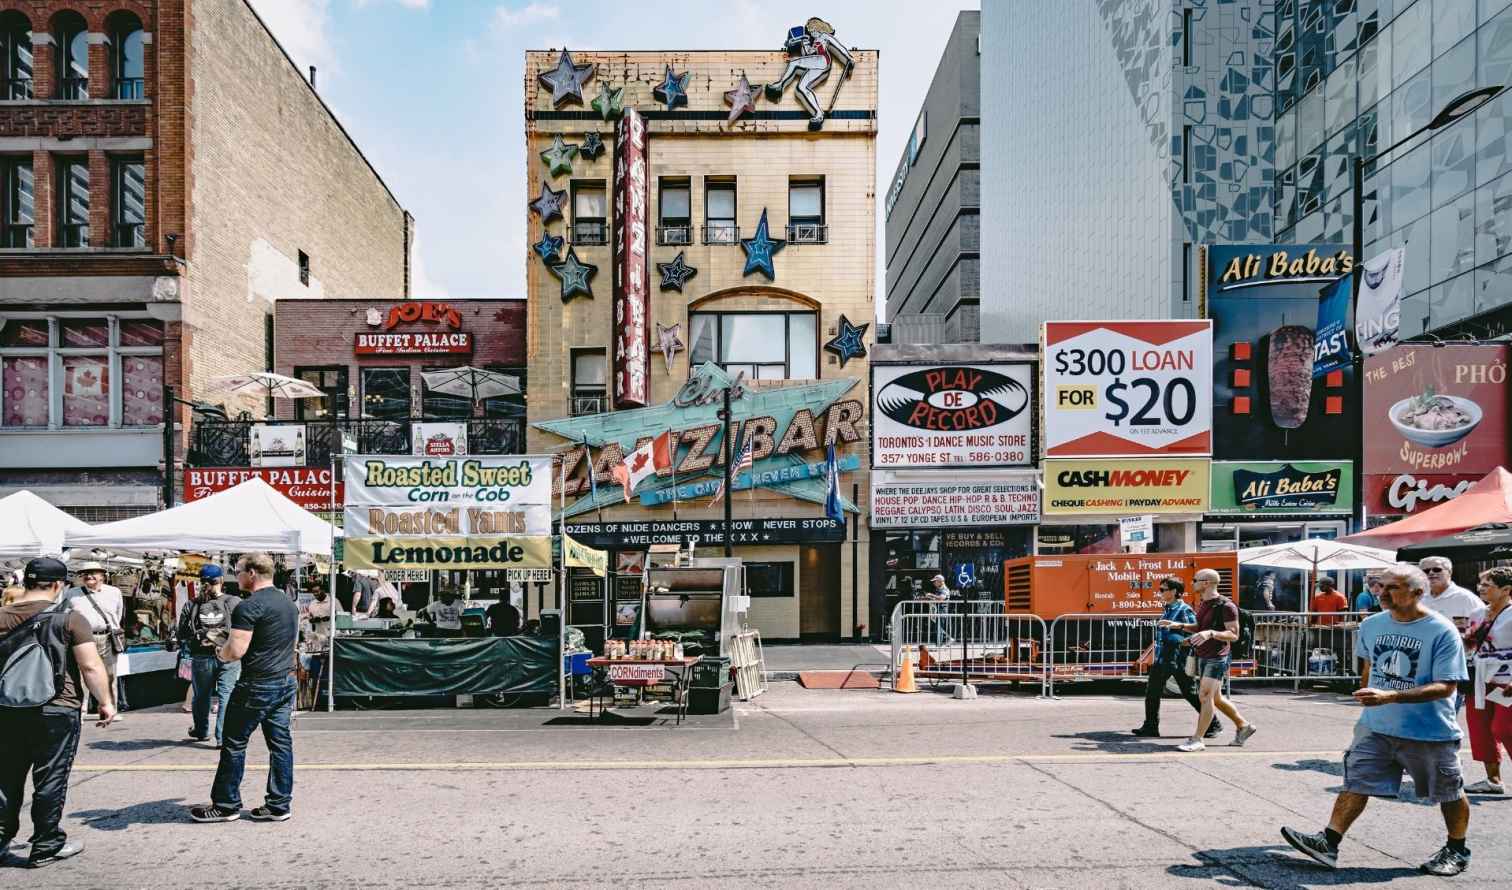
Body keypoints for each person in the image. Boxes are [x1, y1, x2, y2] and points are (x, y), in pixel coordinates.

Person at [1281, 564, 1473, 876]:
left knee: (1448, 792)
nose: (1381, 593)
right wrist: (1370, 702)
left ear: (1417, 593)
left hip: (1429, 730)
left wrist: (1391, 696)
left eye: (1391, 588)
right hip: (1377, 726)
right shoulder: (1371, 625)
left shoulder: (1441, 631)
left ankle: (1457, 849)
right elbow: (1369, 668)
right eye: (1379, 586)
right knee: (1356, 782)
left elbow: (1447, 685)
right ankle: (1328, 842)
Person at [0, 557, 116, 868]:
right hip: (57, 707)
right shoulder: (70, 619)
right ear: (57, 585)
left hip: (7, 709)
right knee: (50, 777)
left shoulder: (1, 616)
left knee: (6, 777)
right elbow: (90, 665)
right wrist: (105, 702)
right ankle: (46, 843)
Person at [190, 552, 299, 824]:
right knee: (280, 744)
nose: (235, 576)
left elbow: (236, 650)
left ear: (252, 573)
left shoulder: (248, 606)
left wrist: (220, 652)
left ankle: (226, 805)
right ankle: (279, 804)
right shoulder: (288, 603)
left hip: (257, 683)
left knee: (234, 742)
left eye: (237, 571)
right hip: (285, 680)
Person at [1163, 568, 1256, 752]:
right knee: (1217, 698)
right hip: (1205, 654)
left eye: (1195, 580)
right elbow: (1200, 627)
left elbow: (1233, 634)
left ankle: (1197, 739)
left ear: (1206, 583)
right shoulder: (1204, 603)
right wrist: (1180, 625)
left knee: (1205, 696)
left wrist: (1211, 633)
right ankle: (1244, 726)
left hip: (1217, 657)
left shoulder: (1226, 606)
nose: (1192, 583)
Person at [1133, 577, 1221, 740]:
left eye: (1163, 589)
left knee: (1190, 692)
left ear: (1174, 591)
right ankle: (1150, 726)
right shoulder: (1168, 608)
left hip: (1178, 657)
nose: (1160, 592)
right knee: (1152, 691)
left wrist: (1178, 640)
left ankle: (1213, 723)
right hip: (1163, 657)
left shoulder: (1184, 610)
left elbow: (1195, 632)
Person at [177, 565, 242, 747]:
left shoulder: (192, 604)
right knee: (226, 695)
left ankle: (201, 730)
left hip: (201, 657)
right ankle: (222, 737)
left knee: (201, 696)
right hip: (229, 655)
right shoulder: (234, 601)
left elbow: (182, 632)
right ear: (221, 580)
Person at [1462, 567, 1512, 796]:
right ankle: (1493, 780)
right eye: (1480, 583)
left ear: (1506, 590)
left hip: (1507, 680)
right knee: (1480, 729)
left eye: (1487, 585)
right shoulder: (1477, 613)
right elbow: (1471, 645)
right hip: (1481, 678)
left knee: (1504, 728)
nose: (1481, 588)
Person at [62, 561, 123, 718]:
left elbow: (119, 613)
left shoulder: (115, 592)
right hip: (82, 639)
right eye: (85, 573)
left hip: (107, 637)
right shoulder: (71, 593)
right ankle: (81, 712)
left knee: (110, 676)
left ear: (102, 576)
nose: (89, 575)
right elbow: (65, 616)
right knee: (83, 677)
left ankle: (111, 711)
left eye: (93, 572)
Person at [1418, 557, 1488, 632]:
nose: (1431, 573)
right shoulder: (1418, 598)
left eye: (1437, 569)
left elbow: (1485, 625)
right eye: (1426, 571)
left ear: (1450, 572)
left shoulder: (1466, 598)